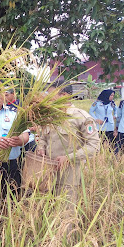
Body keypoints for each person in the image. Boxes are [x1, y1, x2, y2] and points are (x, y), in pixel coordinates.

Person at [37, 84, 100, 212]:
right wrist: (41, 147)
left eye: (51, 95)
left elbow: (94, 145)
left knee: (65, 211)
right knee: (47, 208)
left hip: (69, 174)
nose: (46, 98)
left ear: (64, 96)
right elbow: (43, 136)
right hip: (47, 171)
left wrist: (68, 158)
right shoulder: (50, 116)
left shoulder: (81, 117)